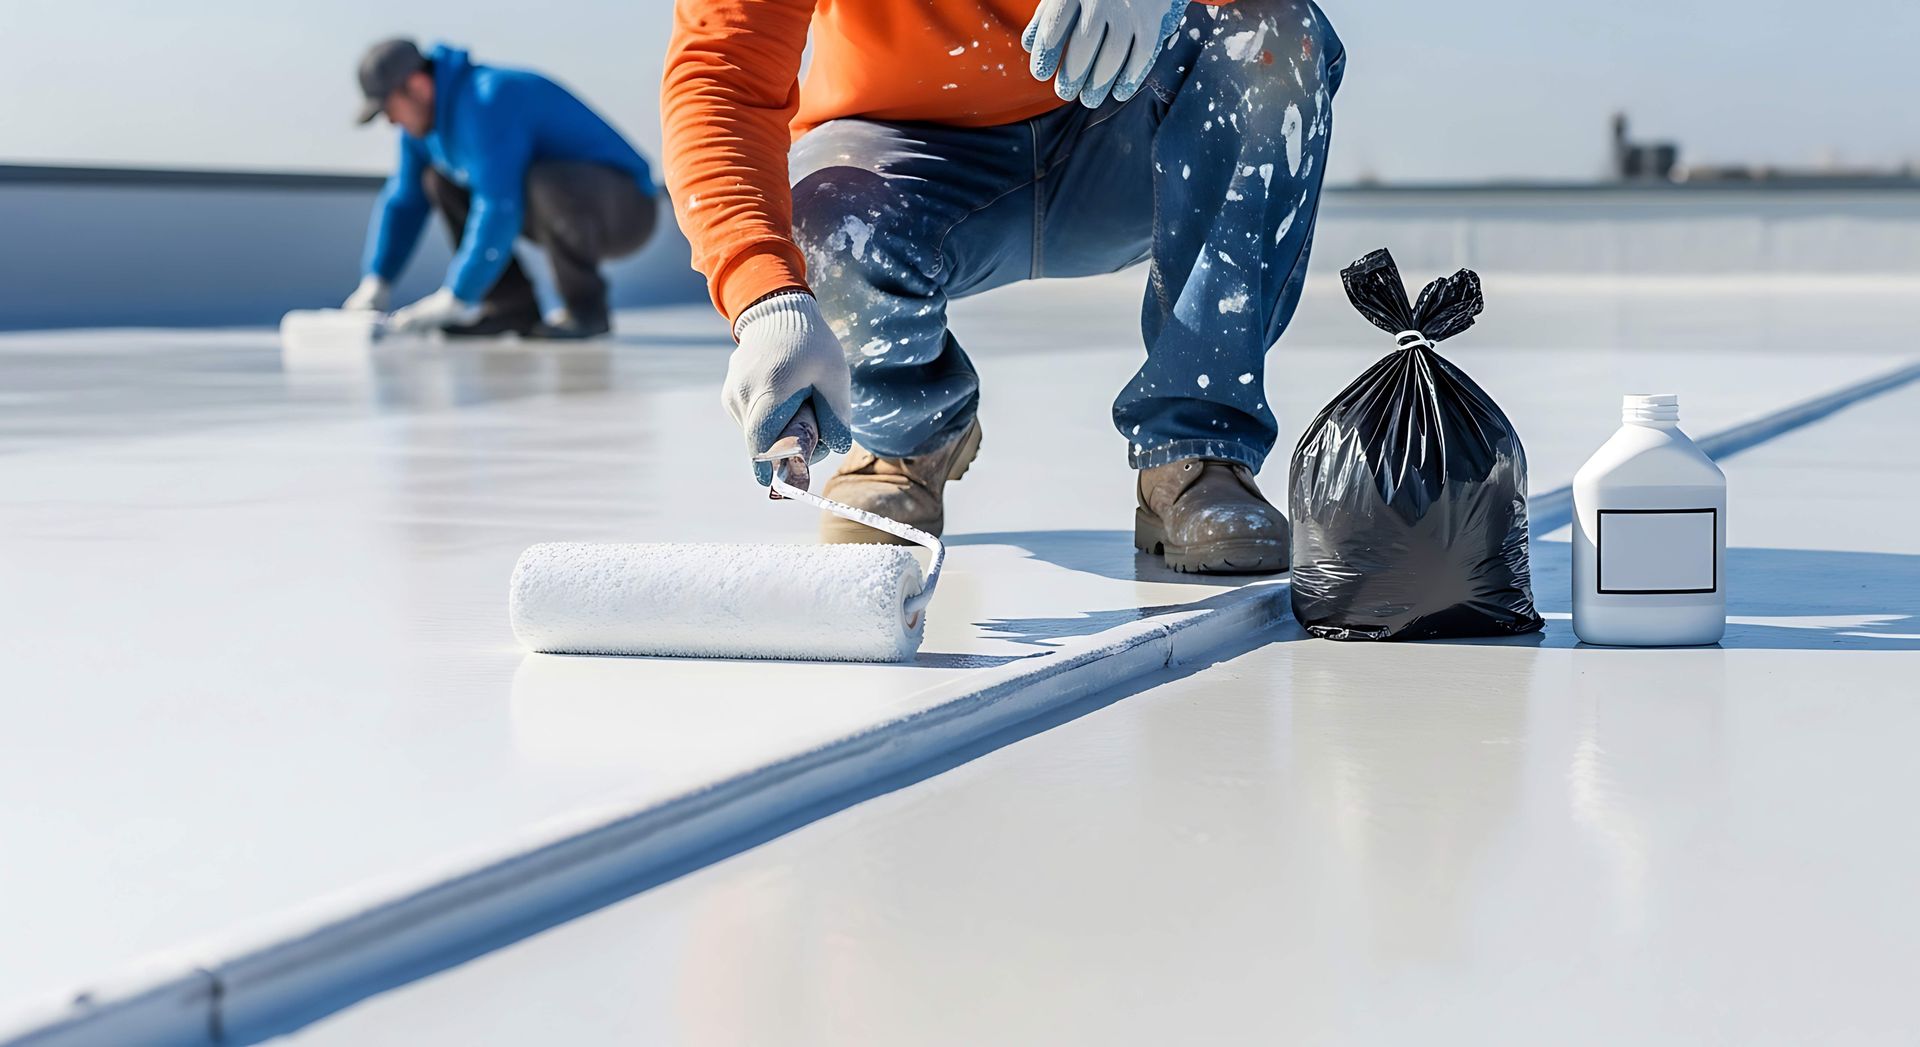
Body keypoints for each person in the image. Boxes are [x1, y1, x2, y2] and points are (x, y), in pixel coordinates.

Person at [662, 0, 1342, 573]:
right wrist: (766, 298)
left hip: (1127, 129)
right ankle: (906, 435)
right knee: (826, 215)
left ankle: (1196, 450)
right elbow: (722, 75)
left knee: (1273, 41)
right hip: (905, 167)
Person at [345, 39, 660, 339]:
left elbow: (498, 204)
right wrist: (376, 280)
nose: (389, 121)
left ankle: (586, 311)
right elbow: (404, 202)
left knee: (543, 182)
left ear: (417, 86)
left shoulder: (487, 99)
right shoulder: (421, 130)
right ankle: (511, 307)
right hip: (555, 206)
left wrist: (457, 294)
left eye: (388, 108)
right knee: (438, 180)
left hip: (627, 208)